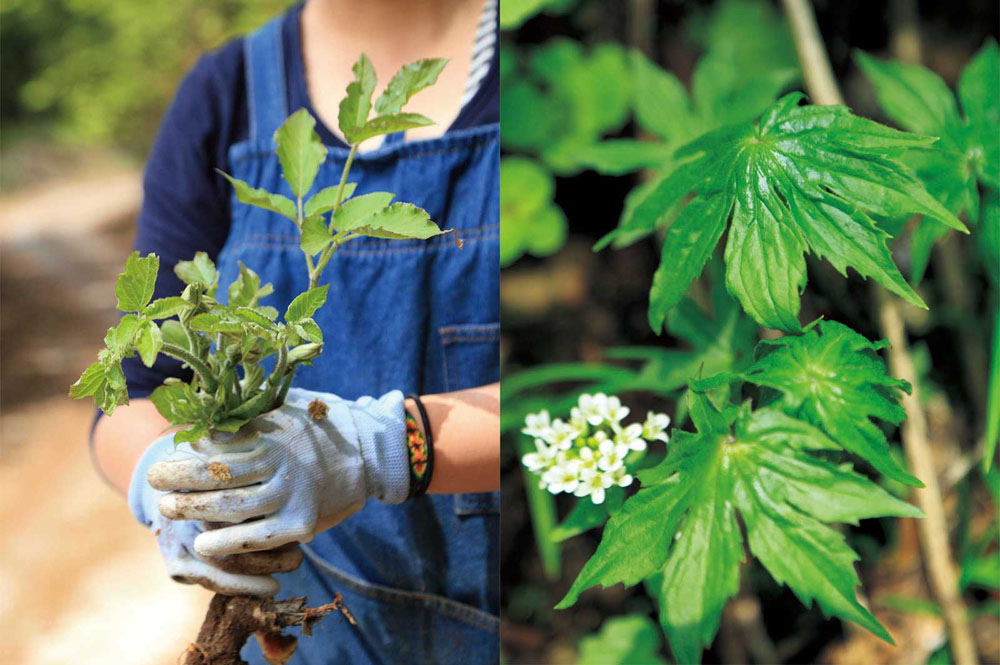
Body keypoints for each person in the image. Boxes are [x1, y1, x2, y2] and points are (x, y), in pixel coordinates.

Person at [90, 1, 500, 662]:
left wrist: (379, 447)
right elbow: (132, 400)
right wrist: (163, 483)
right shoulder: (225, 94)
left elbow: (573, 406)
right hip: (311, 639)